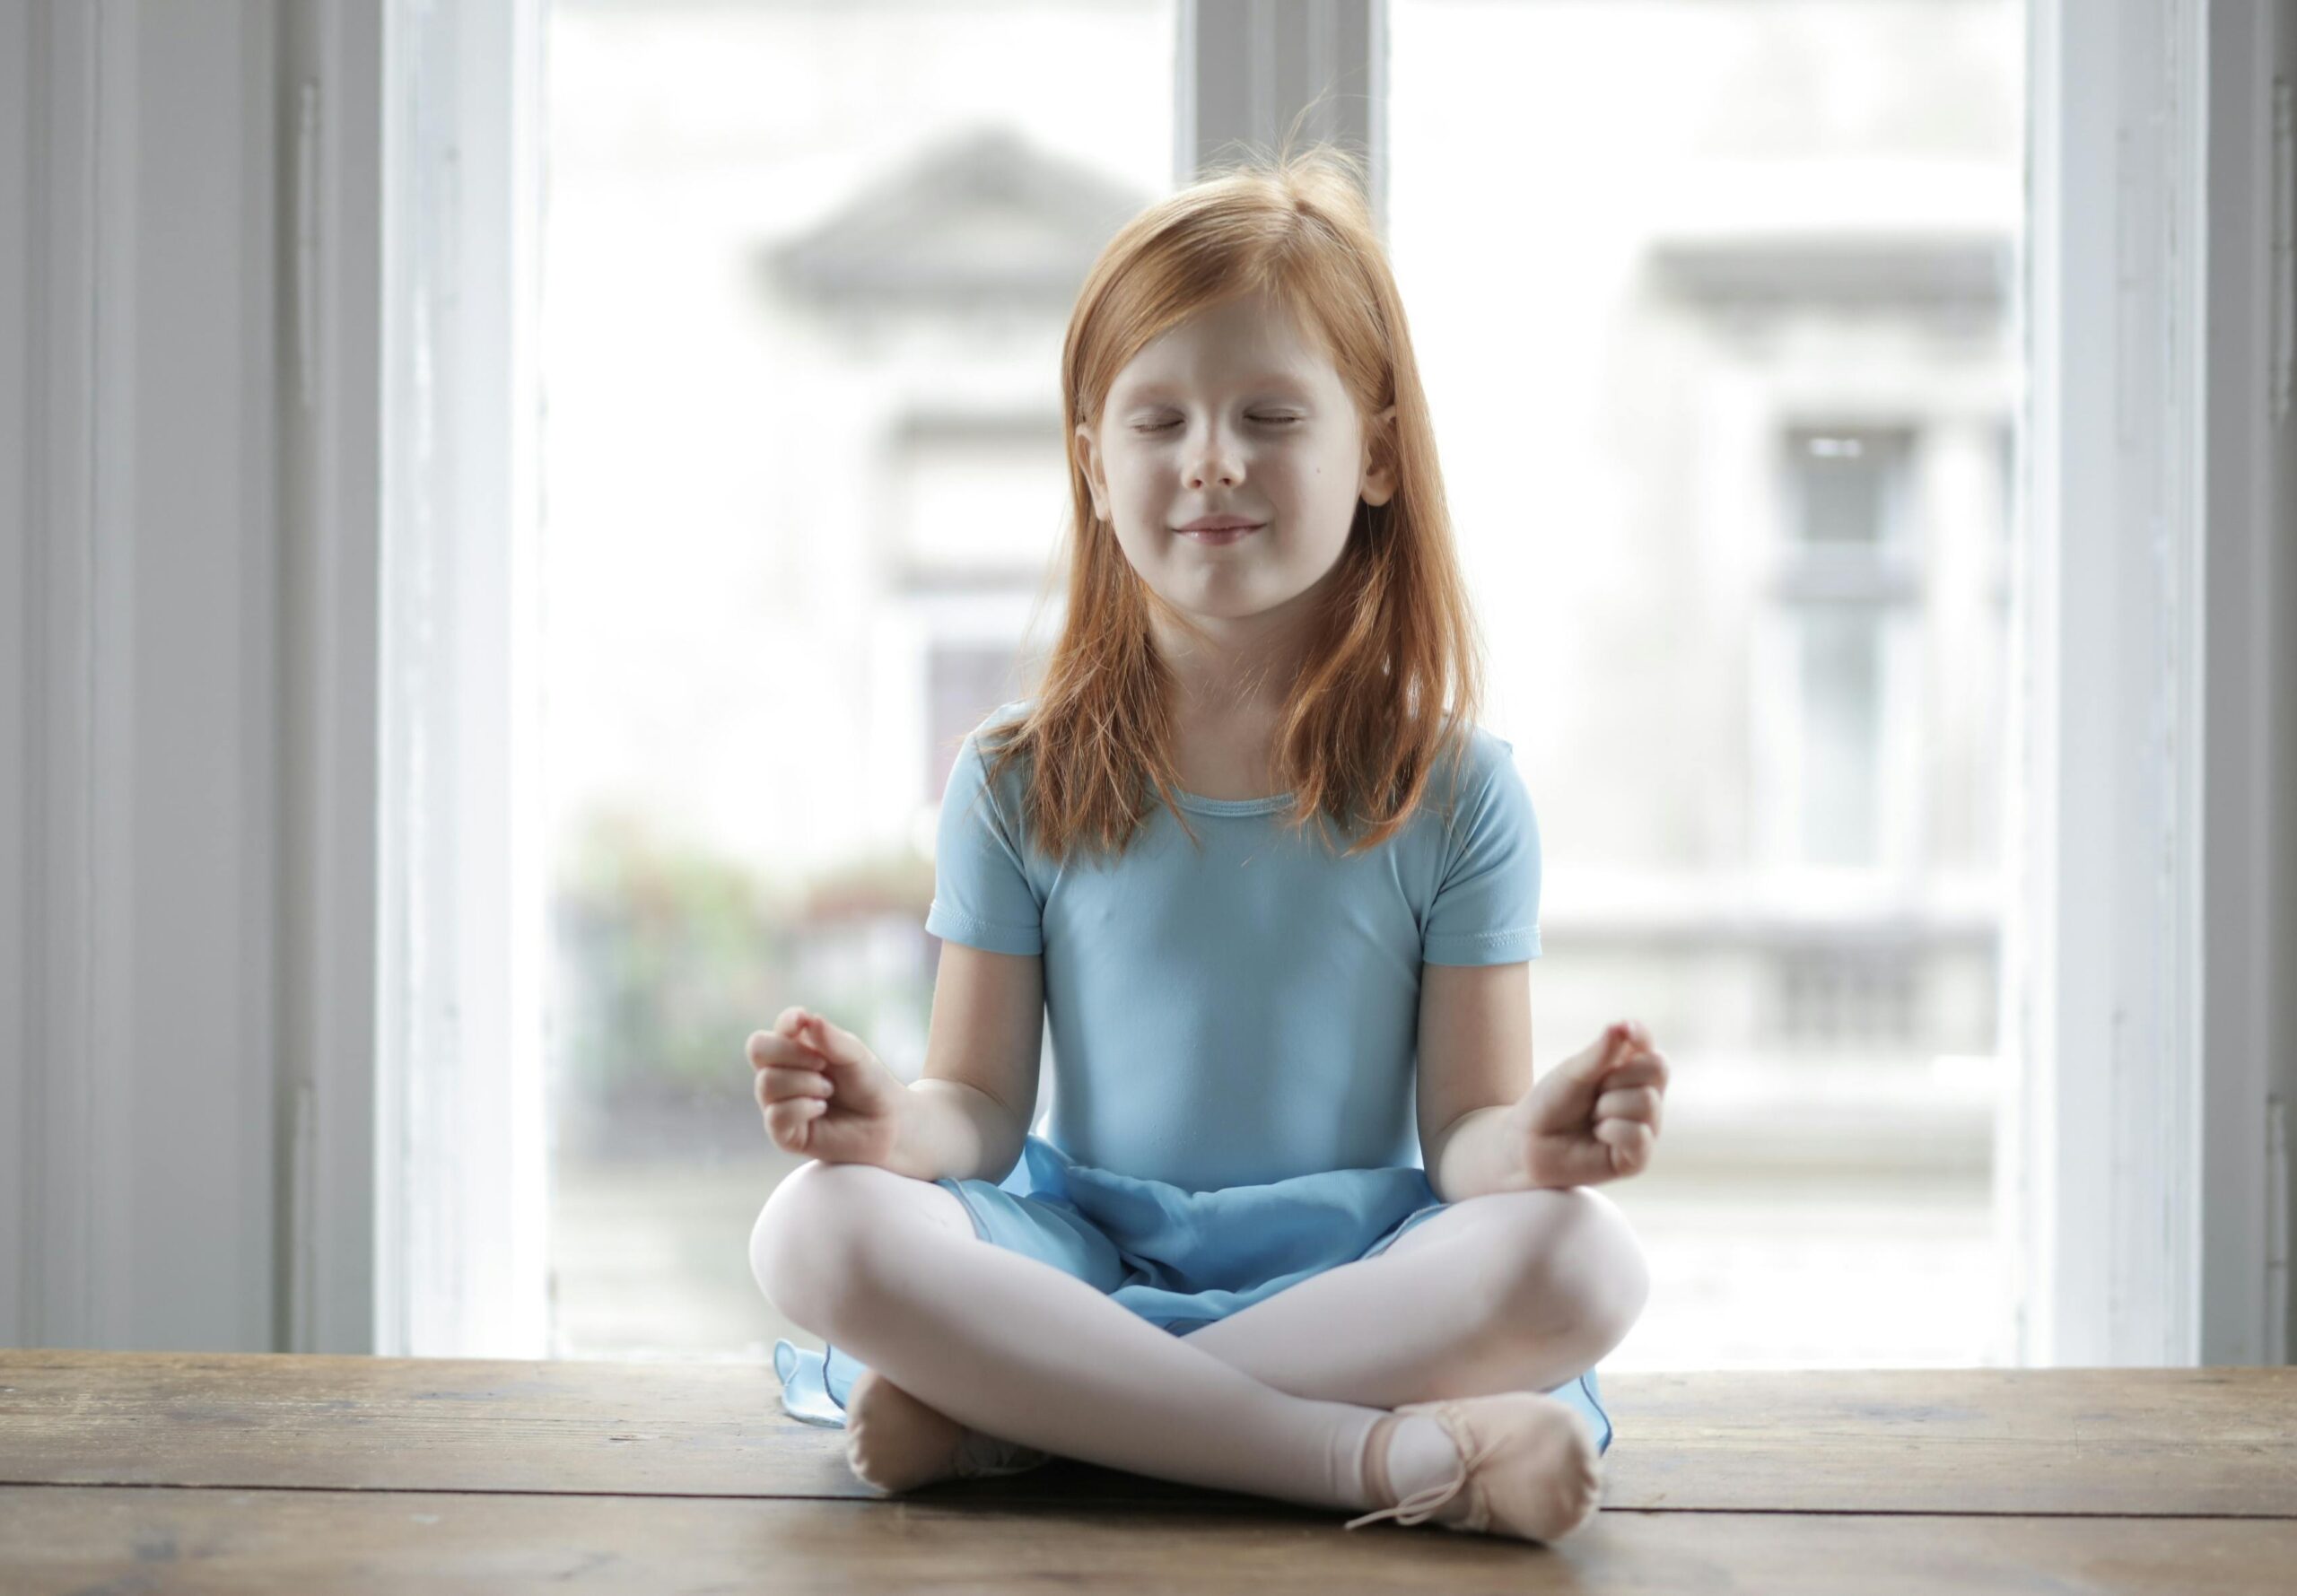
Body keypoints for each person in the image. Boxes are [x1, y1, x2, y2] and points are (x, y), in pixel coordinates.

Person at [747, 138, 1670, 1546]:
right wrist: (893, 1126)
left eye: (1270, 416)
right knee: (813, 1229)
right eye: (1159, 421)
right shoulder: (1012, 776)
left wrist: (1534, 1148)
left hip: (1353, 1276)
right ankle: (1376, 1460)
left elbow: (1466, 1137)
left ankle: (1018, 1422)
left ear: (1373, 452)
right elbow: (982, 1115)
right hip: (1081, 1262)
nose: (1213, 462)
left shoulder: (1458, 791)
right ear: (1093, 469)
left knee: (1584, 1261)